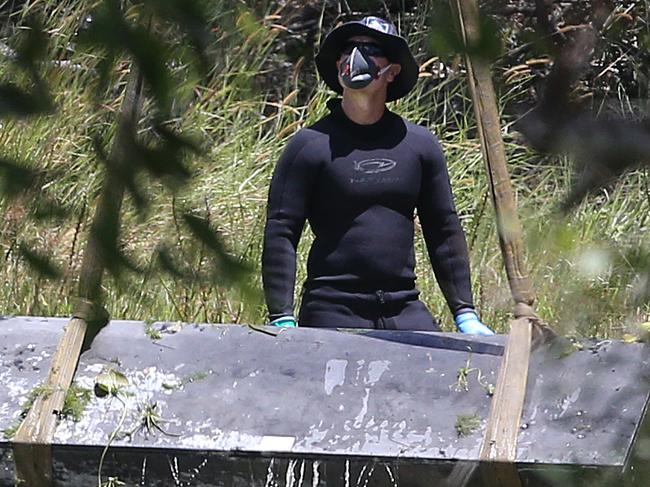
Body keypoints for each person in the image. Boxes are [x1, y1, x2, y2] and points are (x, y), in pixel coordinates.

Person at [261, 16, 494, 335]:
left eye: (369, 49)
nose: (354, 57)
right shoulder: (309, 146)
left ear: (392, 70)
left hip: (403, 307)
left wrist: (464, 312)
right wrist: (281, 317)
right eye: (348, 49)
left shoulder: (418, 145)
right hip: (332, 310)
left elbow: (443, 229)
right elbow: (281, 231)